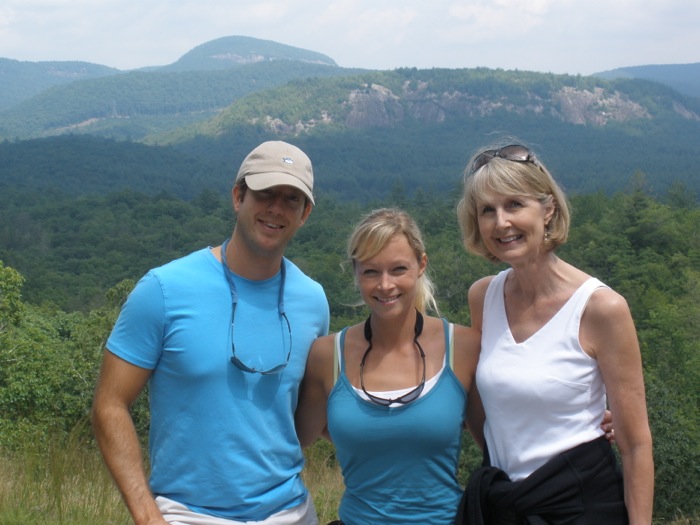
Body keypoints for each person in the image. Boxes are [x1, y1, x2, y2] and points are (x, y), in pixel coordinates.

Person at [91, 141, 330, 525]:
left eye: (291, 199)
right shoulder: (164, 290)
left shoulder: (312, 300)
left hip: (292, 511)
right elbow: (109, 403)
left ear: (305, 214)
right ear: (238, 197)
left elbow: (308, 413)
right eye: (264, 193)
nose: (276, 208)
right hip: (188, 513)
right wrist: (147, 516)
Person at [455, 142, 654, 524]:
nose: (501, 223)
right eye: (487, 211)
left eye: (515, 204)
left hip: (580, 506)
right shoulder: (484, 296)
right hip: (504, 504)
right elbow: (487, 405)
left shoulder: (600, 308)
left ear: (547, 210)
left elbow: (635, 444)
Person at [296, 207, 484, 525]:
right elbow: (288, 443)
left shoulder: (464, 349)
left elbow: (502, 445)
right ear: (354, 271)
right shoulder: (327, 357)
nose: (385, 285)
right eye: (371, 271)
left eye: (398, 269)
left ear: (421, 265)